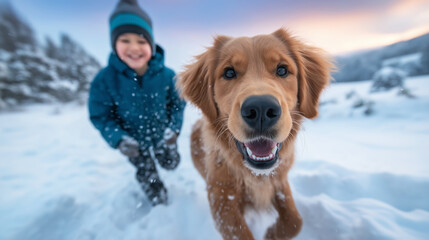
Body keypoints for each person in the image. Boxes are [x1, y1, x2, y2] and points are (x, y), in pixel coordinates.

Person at [88, 0, 186, 206]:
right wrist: (119, 138)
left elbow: (178, 104)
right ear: (114, 44)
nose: (134, 48)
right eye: (125, 40)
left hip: (162, 135)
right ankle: (158, 199)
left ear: (151, 44)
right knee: (146, 171)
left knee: (171, 163)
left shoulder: (167, 76)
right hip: (133, 143)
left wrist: (174, 130)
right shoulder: (104, 80)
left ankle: (168, 156)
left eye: (141, 41)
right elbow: (101, 116)